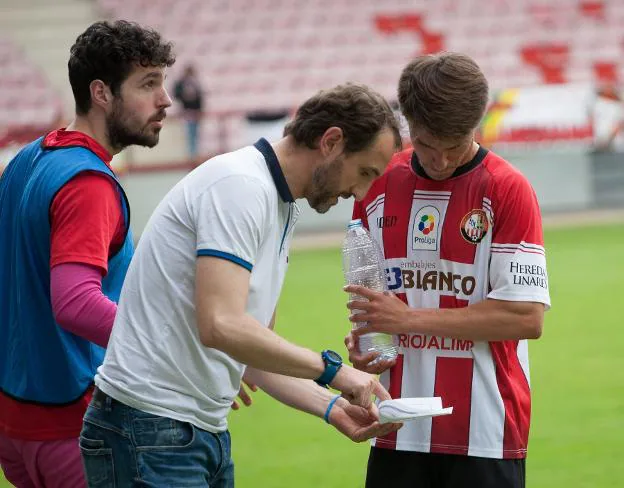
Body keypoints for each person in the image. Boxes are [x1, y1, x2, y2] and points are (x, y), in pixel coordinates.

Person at [80, 82, 404, 487]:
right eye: (365, 172)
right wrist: (334, 372)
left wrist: (332, 406)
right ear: (332, 142)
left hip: (194, 433)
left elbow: (252, 351)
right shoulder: (239, 186)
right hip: (150, 430)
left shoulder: (278, 204)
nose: (361, 190)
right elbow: (221, 324)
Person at [344, 52, 551, 488]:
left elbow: (526, 317)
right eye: (423, 144)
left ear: (477, 125)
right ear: (407, 126)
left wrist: (407, 319)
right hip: (396, 429)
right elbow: (372, 300)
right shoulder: (377, 182)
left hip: (486, 432)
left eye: (453, 146)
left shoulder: (507, 189)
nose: (438, 161)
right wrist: (368, 346)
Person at [0, 20, 175, 488]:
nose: (165, 100)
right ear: (101, 92)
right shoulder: (88, 183)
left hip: (18, 427)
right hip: (75, 429)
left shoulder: (27, 158)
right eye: (148, 84)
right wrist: (181, 346)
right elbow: (75, 303)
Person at [174, 64, 204, 159]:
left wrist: (200, 111)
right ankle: (191, 155)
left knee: (195, 134)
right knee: (189, 134)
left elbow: (200, 98)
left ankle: (194, 155)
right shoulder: (182, 83)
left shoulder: (195, 83)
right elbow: (176, 93)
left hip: (194, 112)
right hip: (186, 112)